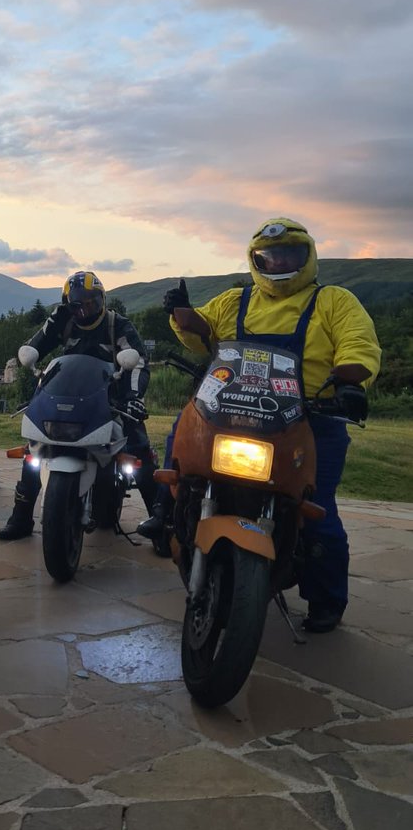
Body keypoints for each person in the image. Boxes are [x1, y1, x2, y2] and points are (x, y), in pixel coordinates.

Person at [141, 218, 380, 634]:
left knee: (317, 511)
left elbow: (359, 344)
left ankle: (325, 598)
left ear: (307, 256)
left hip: (311, 416)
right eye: (270, 255)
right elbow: (204, 336)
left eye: (289, 253)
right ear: (256, 260)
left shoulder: (335, 301)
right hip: (231, 408)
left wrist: (349, 381)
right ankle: (165, 513)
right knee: (181, 435)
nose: (279, 261)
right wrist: (183, 316)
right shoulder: (236, 299)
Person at [0, 271, 157, 541]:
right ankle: (21, 517)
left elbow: (138, 361)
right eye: (78, 305)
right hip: (66, 398)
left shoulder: (117, 324)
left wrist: (133, 397)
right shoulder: (62, 320)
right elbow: (35, 347)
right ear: (69, 304)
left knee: (138, 449)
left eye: (92, 303)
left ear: (102, 300)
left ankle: (161, 522)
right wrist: (45, 334)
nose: (85, 309)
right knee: (35, 449)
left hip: (112, 399)